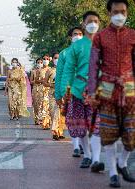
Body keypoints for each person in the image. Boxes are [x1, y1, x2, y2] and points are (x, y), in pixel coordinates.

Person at [87, 0, 135, 187]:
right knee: (108, 133)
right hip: (106, 89)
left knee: (131, 135)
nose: (120, 15)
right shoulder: (100, 37)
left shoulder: (132, 35)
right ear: (109, 13)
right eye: (116, 12)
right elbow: (93, 66)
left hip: (129, 90)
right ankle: (114, 173)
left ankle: (122, 163)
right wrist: (91, 92)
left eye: (123, 12)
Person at [61, 11, 105, 172]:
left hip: (99, 91)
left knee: (97, 126)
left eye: (96, 21)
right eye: (89, 21)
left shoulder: (104, 43)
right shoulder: (76, 47)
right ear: (84, 24)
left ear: (99, 23)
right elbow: (68, 69)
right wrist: (63, 90)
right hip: (78, 91)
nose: (93, 24)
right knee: (81, 126)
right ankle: (87, 155)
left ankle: (96, 159)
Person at [55, 27, 84, 156]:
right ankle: (76, 146)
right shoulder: (64, 54)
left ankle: (83, 144)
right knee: (72, 118)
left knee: (85, 119)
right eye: (75, 34)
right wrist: (58, 94)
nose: (77, 36)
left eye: (80, 34)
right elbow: (59, 74)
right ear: (70, 37)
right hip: (68, 92)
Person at [44, 52, 65, 140]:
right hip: (52, 94)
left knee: (61, 113)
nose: (57, 59)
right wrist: (52, 85)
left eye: (59, 58)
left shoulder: (65, 69)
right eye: (55, 58)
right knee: (53, 112)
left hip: (62, 94)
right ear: (53, 60)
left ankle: (59, 132)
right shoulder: (49, 70)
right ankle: (55, 131)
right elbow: (44, 82)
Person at [40, 55, 51, 129]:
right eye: (44, 59)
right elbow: (36, 80)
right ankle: (45, 123)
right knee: (44, 106)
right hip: (42, 90)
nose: (45, 60)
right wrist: (43, 80)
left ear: (49, 60)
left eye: (47, 59)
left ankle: (49, 121)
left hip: (50, 90)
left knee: (50, 107)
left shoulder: (51, 70)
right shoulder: (39, 70)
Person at [31, 58, 43, 125]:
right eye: (38, 62)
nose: (40, 64)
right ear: (36, 63)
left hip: (43, 89)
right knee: (36, 104)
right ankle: (36, 118)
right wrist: (36, 81)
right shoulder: (33, 71)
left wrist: (42, 81)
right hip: (35, 89)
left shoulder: (45, 71)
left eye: (41, 62)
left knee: (42, 104)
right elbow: (31, 81)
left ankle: (41, 119)